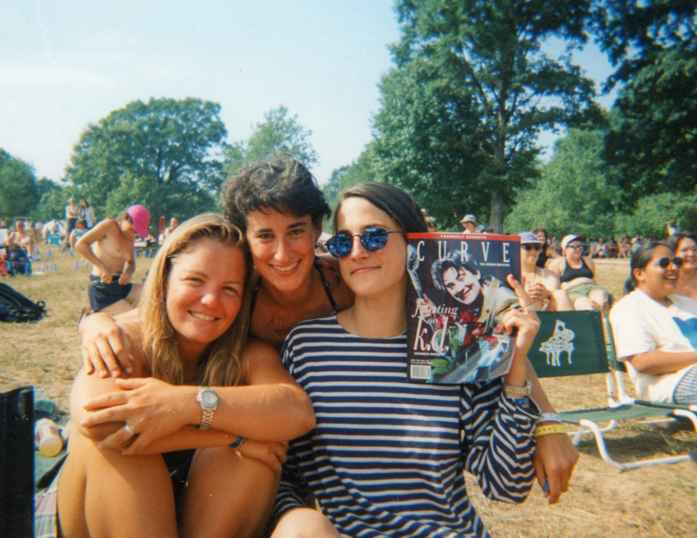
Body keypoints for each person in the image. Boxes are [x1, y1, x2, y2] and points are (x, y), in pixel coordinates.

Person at [82, 157, 578, 504]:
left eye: (296, 231)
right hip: (226, 433)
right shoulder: (238, 287)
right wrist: (95, 321)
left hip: (279, 442)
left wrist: (548, 419)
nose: (282, 254)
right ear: (246, 239)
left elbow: (480, 333)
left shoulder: (345, 285)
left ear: (316, 229)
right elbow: (146, 311)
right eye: (265, 237)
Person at [272, 183, 542, 537]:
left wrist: (516, 371)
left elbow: (507, 485)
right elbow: (284, 475)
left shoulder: (455, 345)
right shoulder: (306, 346)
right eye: (341, 241)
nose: (356, 252)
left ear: (415, 243)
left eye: (374, 236)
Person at [35, 213, 315, 538]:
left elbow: (296, 411)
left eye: (230, 289)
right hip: (102, 511)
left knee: (257, 449)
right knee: (124, 446)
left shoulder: (245, 353)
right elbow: (97, 422)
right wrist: (233, 435)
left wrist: (186, 403)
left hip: (196, 518)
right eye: (195, 280)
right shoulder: (125, 338)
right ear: (165, 280)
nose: (210, 300)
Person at [609, 242, 697, 404]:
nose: (674, 268)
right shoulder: (628, 308)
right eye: (664, 263)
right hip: (667, 382)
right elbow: (642, 362)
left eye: (676, 262)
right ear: (639, 274)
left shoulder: (688, 304)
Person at [75, 205, 149, 315]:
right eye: (132, 229)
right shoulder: (109, 225)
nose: (133, 233)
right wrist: (102, 268)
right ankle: (93, 313)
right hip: (102, 287)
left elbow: (131, 262)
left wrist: (128, 272)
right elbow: (81, 245)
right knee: (136, 318)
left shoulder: (130, 236)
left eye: (136, 232)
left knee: (154, 293)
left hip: (119, 285)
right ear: (125, 218)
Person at [548, 234, 611, 310]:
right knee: (586, 304)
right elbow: (553, 285)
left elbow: (593, 279)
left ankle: (604, 319)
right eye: (574, 247)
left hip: (591, 288)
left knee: (600, 299)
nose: (578, 249)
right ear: (565, 249)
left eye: (580, 246)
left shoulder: (588, 261)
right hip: (573, 291)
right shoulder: (559, 262)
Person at [520, 231, 573, 311]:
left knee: (560, 294)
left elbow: (554, 290)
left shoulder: (548, 275)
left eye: (537, 247)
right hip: (516, 316)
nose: (533, 251)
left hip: (543, 318)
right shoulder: (509, 274)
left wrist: (545, 293)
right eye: (528, 247)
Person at [668, 232, 697, 303]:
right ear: (673, 254)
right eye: (684, 250)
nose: (691, 254)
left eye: (694, 249)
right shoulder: (665, 283)